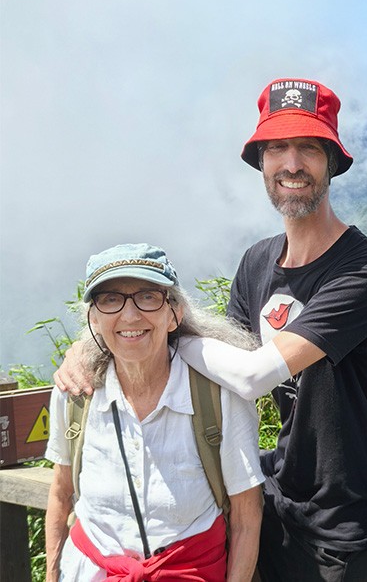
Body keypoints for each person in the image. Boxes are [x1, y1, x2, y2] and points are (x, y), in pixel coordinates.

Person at [55, 77, 367, 582]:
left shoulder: (364, 270)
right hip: (276, 490)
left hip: (342, 515)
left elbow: (248, 375)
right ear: (261, 162)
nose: (291, 164)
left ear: (333, 162)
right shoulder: (258, 261)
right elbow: (215, 360)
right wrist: (90, 347)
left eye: (308, 148)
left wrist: (153, 330)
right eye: (276, 148)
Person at [46, 243, 264, 582]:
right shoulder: (76, 393)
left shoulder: (216, 396)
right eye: (110, 299)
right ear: (93, 318)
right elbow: (61, 495)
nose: (130, 316)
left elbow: (247, 516)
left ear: (174, 313)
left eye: (148, 297)